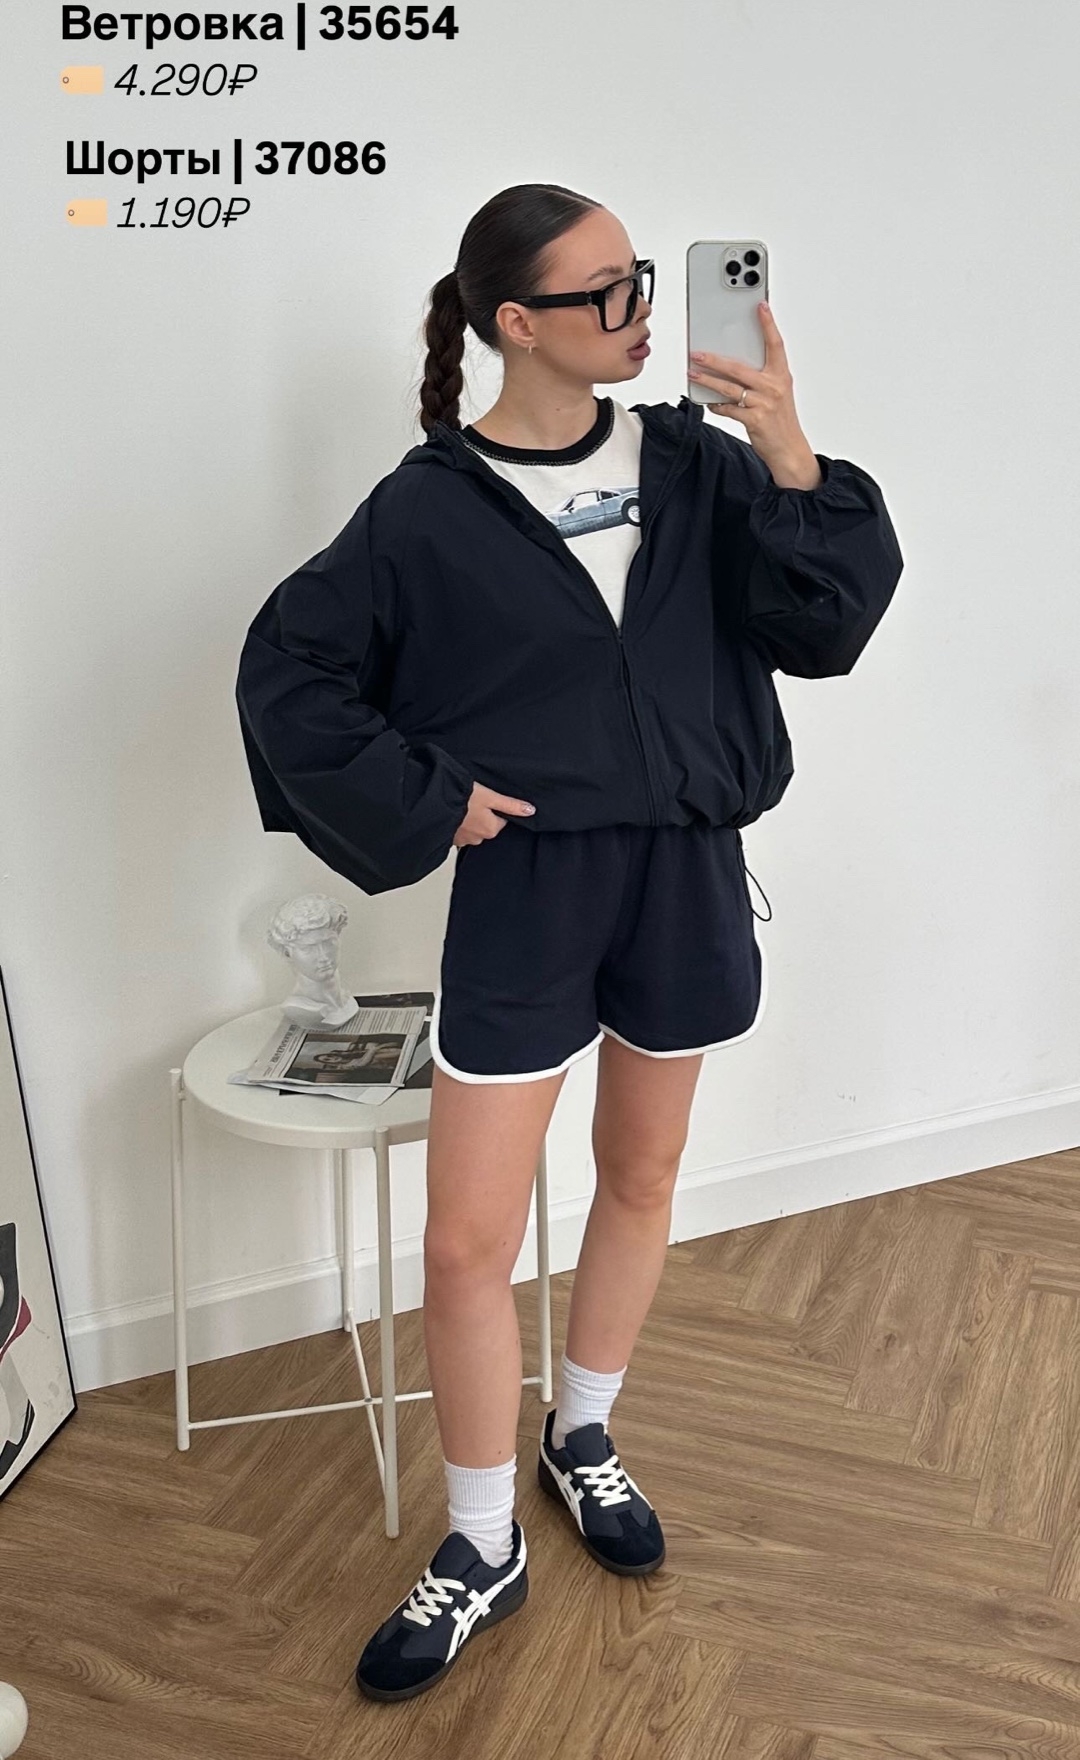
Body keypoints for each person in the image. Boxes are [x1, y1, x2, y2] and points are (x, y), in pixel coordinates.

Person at [234, 182, 904, 1704]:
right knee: (465, 1240)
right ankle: (482, 1542)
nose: (641, 313)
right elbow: (291, 668)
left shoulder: (698, 465)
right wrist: (431, 800)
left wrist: (786, 442)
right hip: (530, 888)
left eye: (640, 282)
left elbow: (828, 627)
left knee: (643, 1176)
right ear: (515, 324)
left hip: (685, 871)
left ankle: (583, 1430)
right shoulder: (426, 510)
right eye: (604, 293)